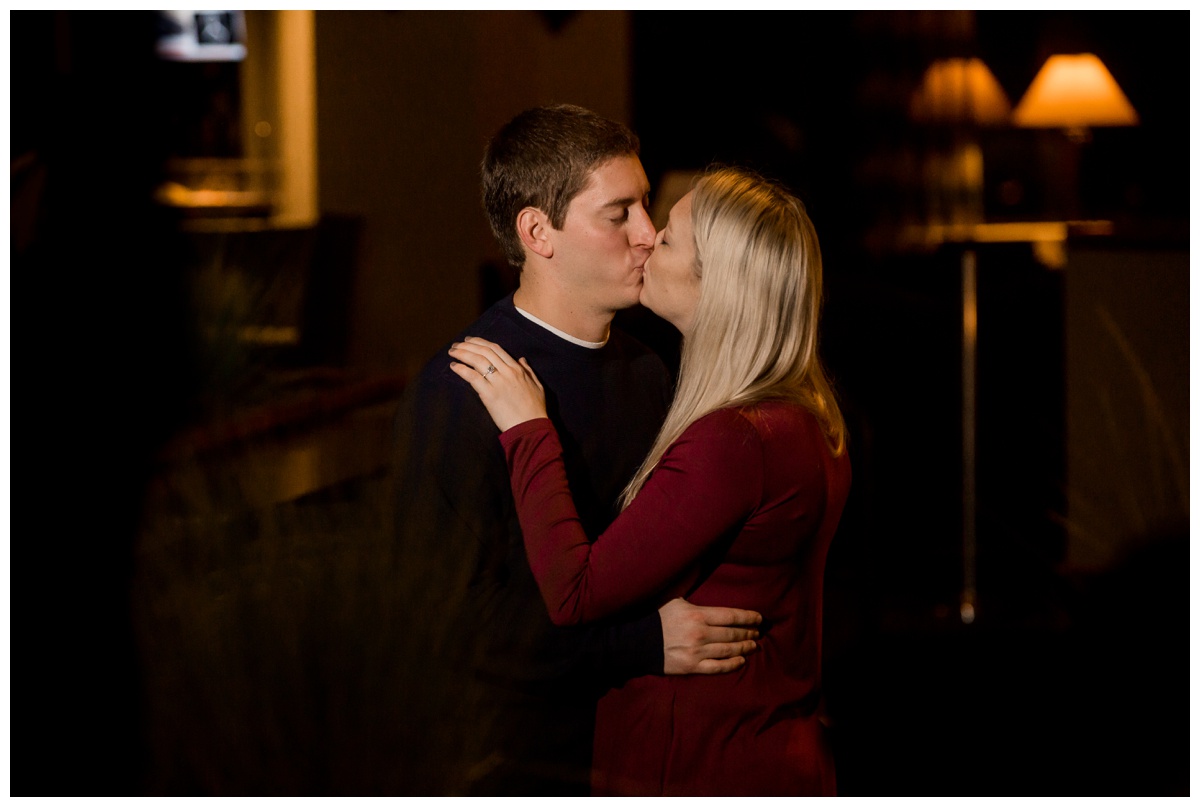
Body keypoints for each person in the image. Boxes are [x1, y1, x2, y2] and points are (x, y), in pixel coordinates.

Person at [390, 105, 763, 796]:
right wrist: (640, 642)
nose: (648, 233)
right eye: (619, 213)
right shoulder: (461, 390)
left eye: (645, 205)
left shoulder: (647, 369)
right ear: (538, 232)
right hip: (520, 760)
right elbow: (449, 620)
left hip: (638, 743)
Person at [449, 165, 852, 795]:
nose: (644, 238)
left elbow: (575, 591)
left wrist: (528, 429)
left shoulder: (736, 438)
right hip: (760, 749)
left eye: (666, 238)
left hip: (704, 763)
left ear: (717, 282)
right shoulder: (802, 414)